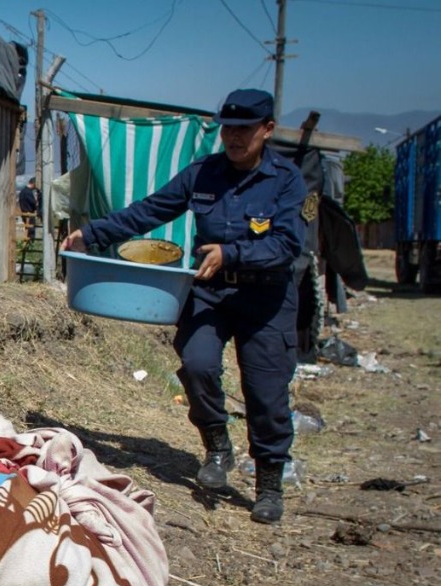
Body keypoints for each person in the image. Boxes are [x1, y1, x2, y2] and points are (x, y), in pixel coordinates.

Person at [60, 89, 307, 524]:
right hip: (210, 291)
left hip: (267, 298)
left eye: (245, 129)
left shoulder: (286, 180)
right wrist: (92, 234)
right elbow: (151, 210)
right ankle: (217, 447)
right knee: (196, 364)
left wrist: (231, 254)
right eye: (228, 128)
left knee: (266, 394)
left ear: (266, 130)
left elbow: (287, 244)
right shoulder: (204, 173)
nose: (234, 137)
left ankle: (269, 483)